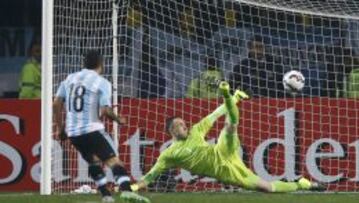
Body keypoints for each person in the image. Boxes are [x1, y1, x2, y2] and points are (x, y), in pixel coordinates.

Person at [130, 81, 325, 193]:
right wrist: (133, 187)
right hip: (227, 172)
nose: (184, 125)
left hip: (223, 151)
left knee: (230, 126)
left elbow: (217, 113)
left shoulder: (196, 130)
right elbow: (150, 176)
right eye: (179, 125)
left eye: (183, 122)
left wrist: (230, 99)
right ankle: (302, 184)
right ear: (172, 131)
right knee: (267, 188)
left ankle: (228, 93)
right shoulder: (169, 154)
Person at [53, 50, 150, 203]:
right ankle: (126, 191)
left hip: (73, 132)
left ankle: (106, 196)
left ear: (84, 64)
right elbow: (105, 110)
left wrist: (60, 128)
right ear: (101, 64)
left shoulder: (70, 78)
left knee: (93, 161)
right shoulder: (102, 82)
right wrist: (118, 120)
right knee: (114, 162)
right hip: (92, 129)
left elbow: (56, 103)